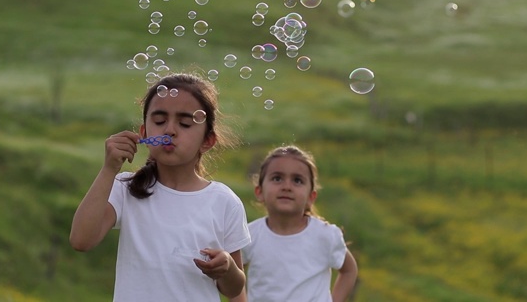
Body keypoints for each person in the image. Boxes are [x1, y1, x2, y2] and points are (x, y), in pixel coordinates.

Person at [70, 73, 251, 301]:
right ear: (144, 133)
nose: (170, 130)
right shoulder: (126, 188)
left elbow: (235, 290)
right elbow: (81, 240)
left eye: (185, 123)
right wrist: (109, 169)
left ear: (207, 141)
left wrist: (227, 268)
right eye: (159, 121)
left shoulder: (223, 201)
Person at [231, 145, 358, 302]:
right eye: (277, 178)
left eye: (297, 180)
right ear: (259, 192)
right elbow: (232, 276)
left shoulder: (325, 235)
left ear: (311, 197)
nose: (286, 187)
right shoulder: (249, 235)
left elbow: (349, 270)